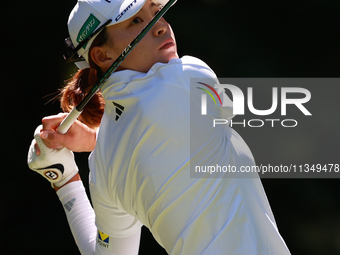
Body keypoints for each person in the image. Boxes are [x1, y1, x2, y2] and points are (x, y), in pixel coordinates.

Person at [28, 0, 291, 254]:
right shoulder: (190, 76)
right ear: (102, 55)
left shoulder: (104, 163)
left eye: (157, 10)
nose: (161, 26)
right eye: (137, 20)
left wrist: (64, 178)